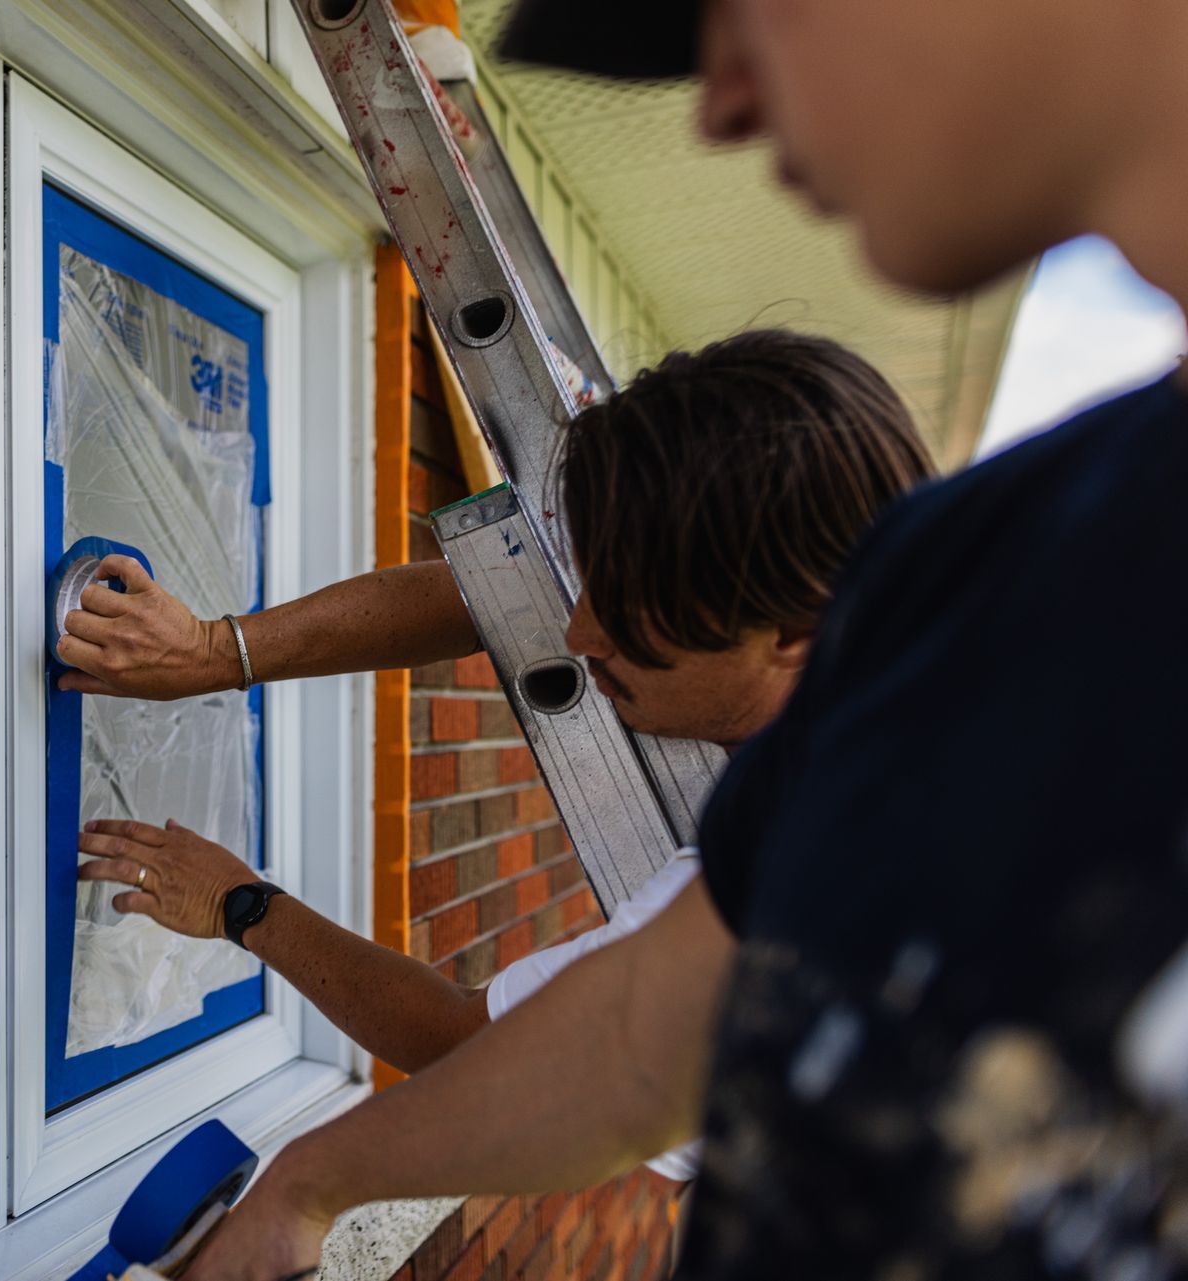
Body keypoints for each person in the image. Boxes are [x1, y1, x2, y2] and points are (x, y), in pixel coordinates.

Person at [171, 1, 1188, 1278]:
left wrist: (241, 828)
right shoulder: (978, 564)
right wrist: (313, 1182)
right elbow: (649, 1036)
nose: (721, 109)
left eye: (750, 18)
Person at [69, 328, 932, 1181]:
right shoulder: (899, 692)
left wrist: (240, 903)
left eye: (630, 606)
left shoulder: (810, 880)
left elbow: (474, 1048)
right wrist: (218, 650)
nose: (579, 632)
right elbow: (495, 596)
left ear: (789, 632)